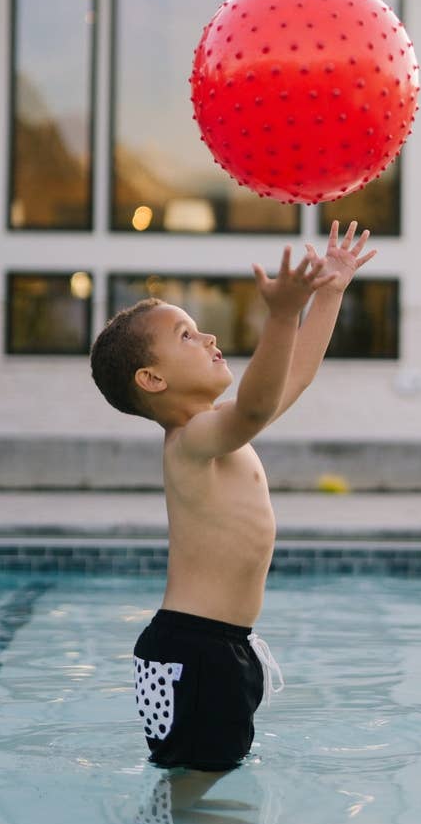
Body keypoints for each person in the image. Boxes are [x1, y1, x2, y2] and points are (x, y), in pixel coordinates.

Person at [90, 220, 376, 776]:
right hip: (193, 654)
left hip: (216, 648)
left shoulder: (216, 432)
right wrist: (279, 315)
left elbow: (293, 377)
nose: (210, 339)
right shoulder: (192, 442)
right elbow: (254, 404)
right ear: (152, 380)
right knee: (197, 800)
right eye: (187, 337)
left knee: (204, 793)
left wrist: (330, 294)